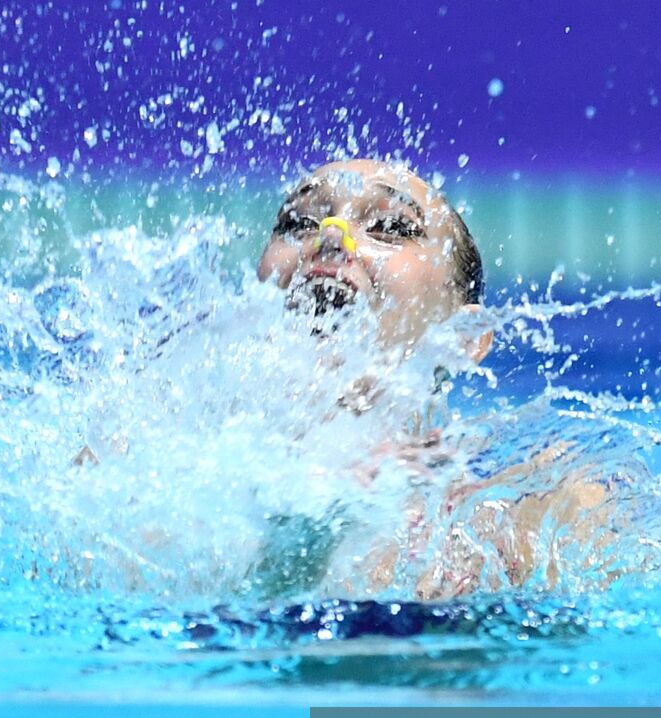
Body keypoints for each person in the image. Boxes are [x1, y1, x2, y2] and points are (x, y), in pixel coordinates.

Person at [255, 158, 618, 599]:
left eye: (390, 225)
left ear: (463, 339)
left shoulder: (531, 510)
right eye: (299, 222)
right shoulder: (170, 492)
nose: (330, 236)